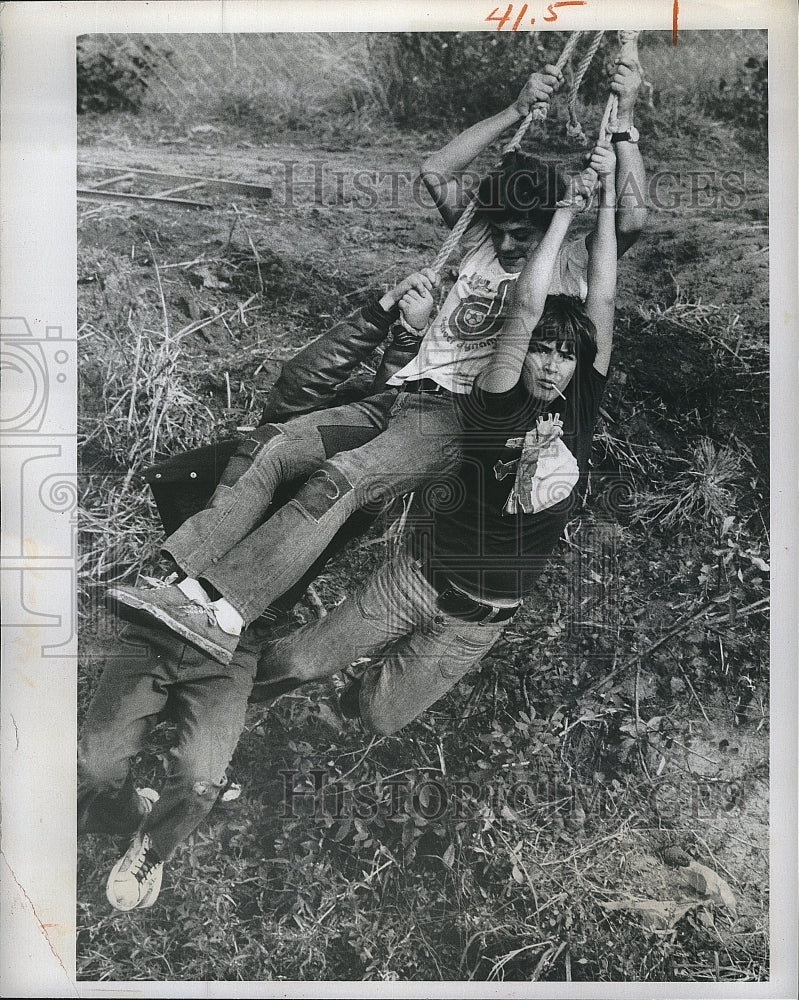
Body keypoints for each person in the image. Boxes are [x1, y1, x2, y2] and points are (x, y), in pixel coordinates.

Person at [109, 55, 645, 667]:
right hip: (399, 396)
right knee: (273, 446)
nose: (507, 242)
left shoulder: (561, 268)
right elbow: (436, 171)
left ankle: (226, 611)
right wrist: (516, 111)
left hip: (454, 422)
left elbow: (630, 221)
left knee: (341, 481)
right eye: (500, 227)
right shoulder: (476, 244)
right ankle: (180, 582)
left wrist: (623, 125)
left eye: (523, 231)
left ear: (549, 226)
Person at [78, 273, 434, 912]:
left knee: (202, 779)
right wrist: (383, 311)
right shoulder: (284, 436)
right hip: (163, 615)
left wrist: (411, 337)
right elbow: (308, 376)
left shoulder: (360, 483)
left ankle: (150, 848)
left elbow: (404, 409)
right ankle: (122, 808)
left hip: (238, 642)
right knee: (94, 766)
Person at [255, 141, 618, 734]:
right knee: (294, 662)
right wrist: (560, 213)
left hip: (481, 618)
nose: (551, 366)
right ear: (517, 352)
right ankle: (232, 697)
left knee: (374, 717)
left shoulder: (580, 401)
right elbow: (525, 306)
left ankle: (331, 711)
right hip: (420, 577)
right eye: (541, 352)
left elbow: (601, 295)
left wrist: (600, 198)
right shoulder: (499, 393)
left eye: (563, 357)